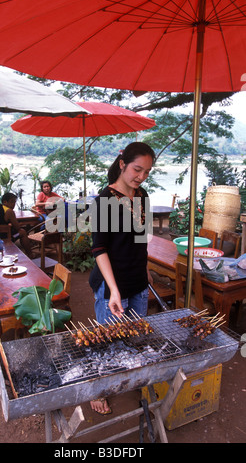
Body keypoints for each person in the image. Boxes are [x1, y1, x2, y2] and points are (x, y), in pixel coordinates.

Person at [88, 142, 155, 415]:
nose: (141, 176)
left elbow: (142, 240)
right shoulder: (104, 201)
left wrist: (146, 268)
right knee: (106, 341)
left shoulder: (143, 196)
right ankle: (98, 389)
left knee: (133, 336)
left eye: (147, 172)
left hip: (138, 280)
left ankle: (129, 377)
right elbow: (99, 250)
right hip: (112, 284)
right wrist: (114, 291)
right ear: (122, 164)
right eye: (137, 169)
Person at [0, 192, 33, 258]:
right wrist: (20, 224)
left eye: (14, 202)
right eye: (12, 202)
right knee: (22, 232)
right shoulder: (9, 211)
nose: (14, 204)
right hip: (4, 237)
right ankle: (30, 254)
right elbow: (17, 228)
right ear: (5, 202)